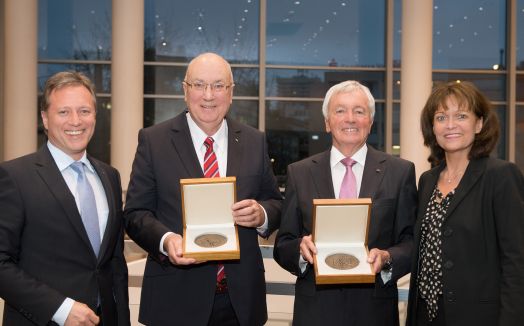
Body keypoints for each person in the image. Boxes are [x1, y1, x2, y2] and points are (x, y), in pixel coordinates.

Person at [123, 52, 282, 326]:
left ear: (231, 93)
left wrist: (262, 215)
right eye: (199, 85)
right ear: (185, 90)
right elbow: (135, 213)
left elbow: (275, 203)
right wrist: (166, 240)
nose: (209, 95)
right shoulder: (154, 141)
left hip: (241, 303)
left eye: (219, 86)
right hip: (174, 300)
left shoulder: (255, 141)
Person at [273, 80, 417, 326]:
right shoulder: (300, 173)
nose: (350, 119)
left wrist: (387, 257)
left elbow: (412, 241)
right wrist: (300, 249)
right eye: (340, 111)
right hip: (315, 312)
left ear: (370, 121)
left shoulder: (400, 172)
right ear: (328, 122)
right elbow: (282, 245)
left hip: (374, 312)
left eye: (359, 111)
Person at [0, 71, 130, 326]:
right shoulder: (13, 177)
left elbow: (115, 265)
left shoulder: (110, 177)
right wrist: (60, 309)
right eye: (63, 112)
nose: (75, 121)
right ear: (45, 119)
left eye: (84, 111)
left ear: (95, 115)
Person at [406, 81, 524, 326]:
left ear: (479, 124)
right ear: (432, 127)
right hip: (426, 316)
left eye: (461, 115)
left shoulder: (501, 176)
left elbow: (517, 262)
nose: (450, 125)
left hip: (479, 317)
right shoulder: (427, 181)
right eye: (441, 117)